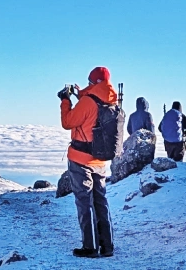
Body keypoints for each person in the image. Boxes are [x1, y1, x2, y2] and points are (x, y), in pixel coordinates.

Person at [59, 66, 117, 258]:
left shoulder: (87, 102)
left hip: (81, 158)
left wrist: (65, 101)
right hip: (100, 160)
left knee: (85, 201)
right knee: (101, 201)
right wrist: (80, 93)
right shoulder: (110, 101)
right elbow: (92, 106)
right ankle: (107, 246)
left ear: (93, 82)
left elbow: (68, 122)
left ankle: (90, 247)